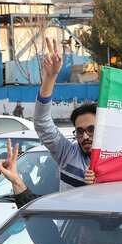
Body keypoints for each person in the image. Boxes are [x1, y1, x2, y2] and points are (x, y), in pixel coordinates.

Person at [33, 38, 96, 190]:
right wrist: (51, 77)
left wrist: (99, 183)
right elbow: (42, 122)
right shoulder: (68, 153)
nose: (85, 136)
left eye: (91, 129)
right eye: (80, 131)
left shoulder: (116, 159)